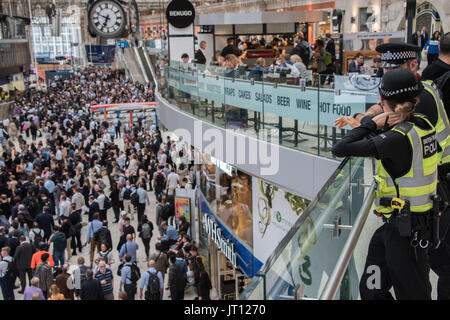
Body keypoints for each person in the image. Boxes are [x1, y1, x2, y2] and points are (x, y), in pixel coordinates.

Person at [332, 68, 438, 300]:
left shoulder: (396, 139)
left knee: (413, 295)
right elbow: (390, 140)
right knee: (371, 289)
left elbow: (340, 148)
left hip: (407, 234)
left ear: (381, 100)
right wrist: (376, 125)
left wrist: (370, 124)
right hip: (399, 227)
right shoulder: (423, 124)